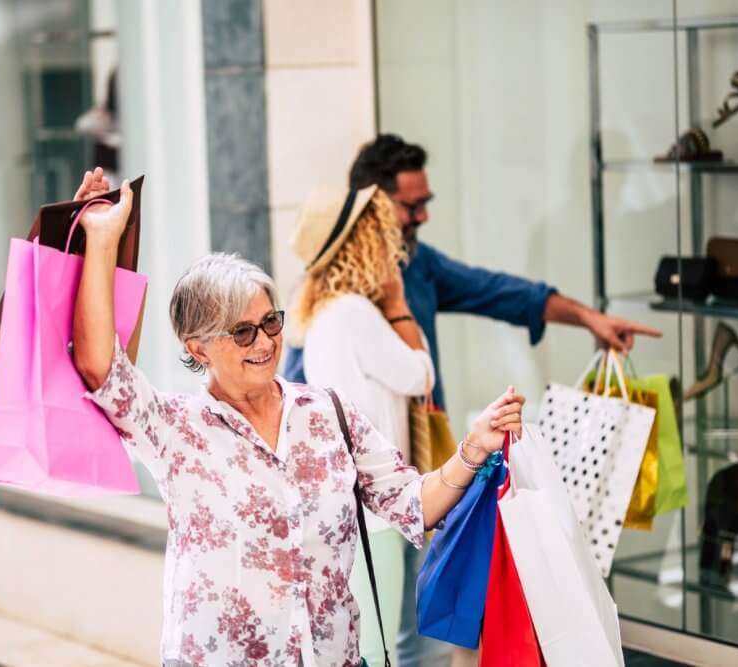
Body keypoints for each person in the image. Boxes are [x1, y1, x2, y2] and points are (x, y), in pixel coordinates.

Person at [71, 178, 525, 666]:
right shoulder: (177, 428)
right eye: (243, 332)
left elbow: (414, 504)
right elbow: (102, 368)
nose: (264, 342)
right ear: (197, 347)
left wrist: (473, 449)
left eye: (271, 322)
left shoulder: (328, 414)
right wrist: (100, 239)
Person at [283, 134, 662, 667]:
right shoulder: (333, 300)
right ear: (369, 210)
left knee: (418, 627)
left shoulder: (413, 266)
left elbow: (499, 291)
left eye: (425, 204)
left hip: (429, 481)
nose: (421, 218)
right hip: (371, 499)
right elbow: (297, 402)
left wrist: (589, 319)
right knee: (386, 637)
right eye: (411, 206)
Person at [290, 184, 436, 665]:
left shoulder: (321, 316)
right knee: (377, 650)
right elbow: (420, 374)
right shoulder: (356, 312)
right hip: (375, 513)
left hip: (347, 511)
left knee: (361, 648)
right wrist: (396, 303)